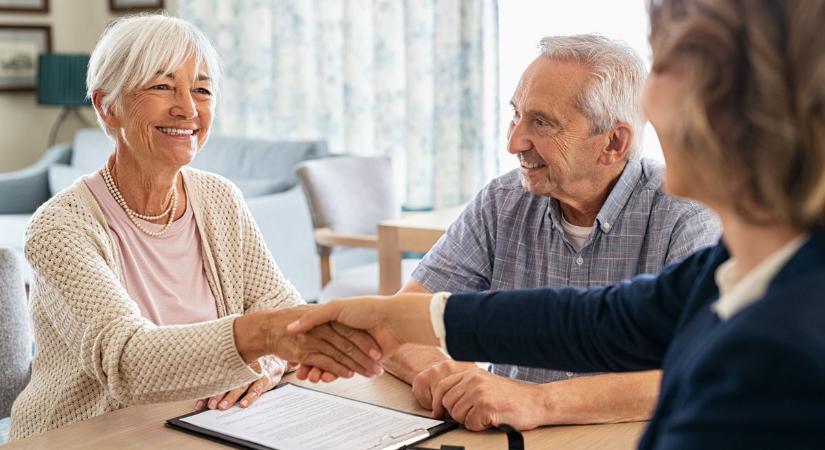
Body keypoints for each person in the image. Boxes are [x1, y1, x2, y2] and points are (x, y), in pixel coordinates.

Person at [288, 0, 825, 446]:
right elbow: (596, 321)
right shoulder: (735, 269)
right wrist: (400, 318)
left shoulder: (775, 356)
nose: (649, 102)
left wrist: (537, 400)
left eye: (663, 65)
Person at [8, 15, 381, 441]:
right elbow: (127, 363)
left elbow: (286, 316)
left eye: (202, 90)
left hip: (206, 426)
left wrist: (264, 360)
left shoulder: (219, 198)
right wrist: (260, 339)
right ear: (106, 106)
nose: (188, 108)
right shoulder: (60, 228)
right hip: (88, 436)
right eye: (162, 86)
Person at [378, 34, 720, 428]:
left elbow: (699, 366)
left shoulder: (685, 215)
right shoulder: (502, 200)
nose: (513, 142)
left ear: (613, 142)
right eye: (516, 114)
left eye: (540, 122)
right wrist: (446, 373)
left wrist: (541, 402)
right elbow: (402, 321)